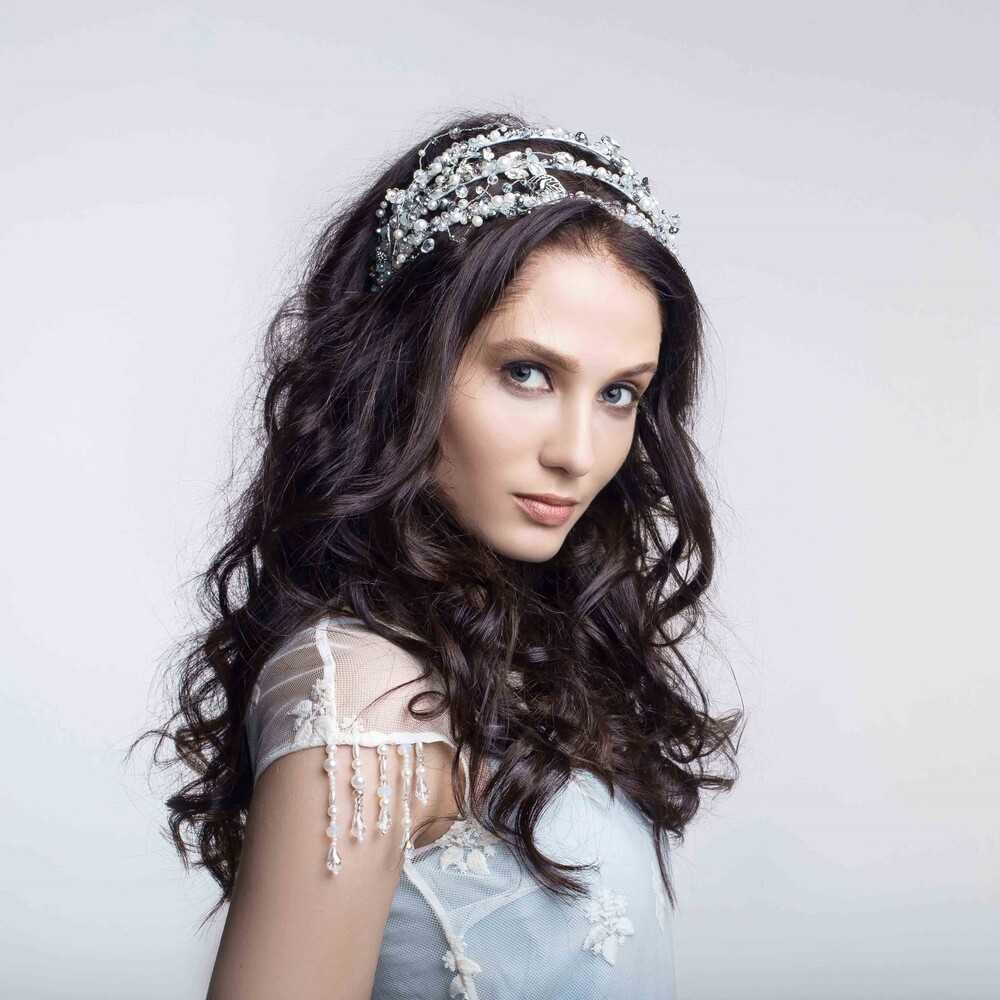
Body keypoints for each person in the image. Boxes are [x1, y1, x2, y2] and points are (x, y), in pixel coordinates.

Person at [138, 109, 741, 999]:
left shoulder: (522, 651)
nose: (578, 452)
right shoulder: (364, 693)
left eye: (619, 394)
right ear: (404, 367)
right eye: (527, 372)